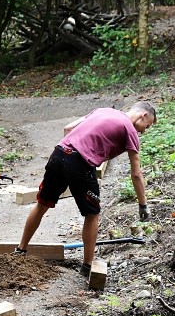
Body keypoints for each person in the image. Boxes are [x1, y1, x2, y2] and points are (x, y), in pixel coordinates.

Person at [14, 101, 157, 277]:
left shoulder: (103, 111)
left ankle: (20, 250)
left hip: (59, 154)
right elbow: (136, 174)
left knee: (42, 204)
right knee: (92, 214)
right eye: (147, 126)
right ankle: (87, 267)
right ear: (143, 115)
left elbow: (68, 129)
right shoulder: (129, 130)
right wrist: (143, 204)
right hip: (80, 163)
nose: (143, 131)